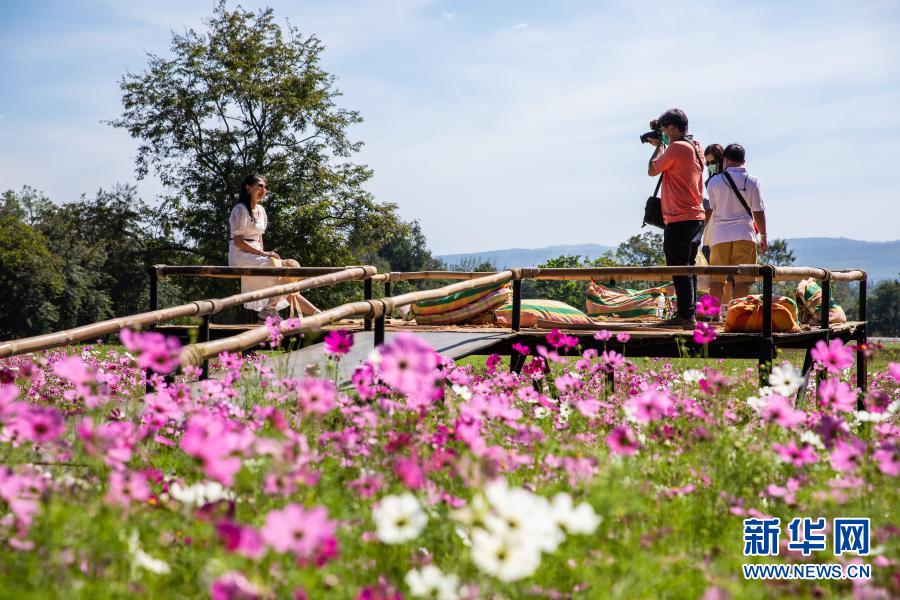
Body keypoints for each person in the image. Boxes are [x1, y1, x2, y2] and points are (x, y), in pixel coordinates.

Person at [228, 174, 319, 320]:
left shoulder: (261, 210)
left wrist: (263, 253)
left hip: (257, 253)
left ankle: (317, 314)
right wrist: (263, 254)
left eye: (265, 187)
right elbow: (238, 241)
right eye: (259, 186)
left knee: (293, 267)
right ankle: (269, 310)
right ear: (248, 188)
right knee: (276, 266)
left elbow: (259, 237)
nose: (263, 190)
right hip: (240, 255)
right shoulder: (240, 209)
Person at [647, 108, 706, 329]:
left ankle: (685, 315)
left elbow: (652, 169)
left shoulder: (677, 147)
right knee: (688, 267)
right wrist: (660, 131)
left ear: (672, 128)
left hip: (680, 217)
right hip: (695, 216)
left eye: (665, 130)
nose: (663, 134)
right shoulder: (695, 146)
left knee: (679, 267)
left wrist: (659, 146)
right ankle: (689, 313)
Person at [706, 144, 768, 306]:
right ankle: (740, 312)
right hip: (744, 234)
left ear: (725, 159)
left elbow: (711, 208)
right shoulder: (753, 181)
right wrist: (763, 236)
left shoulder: (714, 182)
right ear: (743, 161)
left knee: (716, 281)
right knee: (743, 281)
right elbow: (758, 212)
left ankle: (713, 315)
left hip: (719, 236)